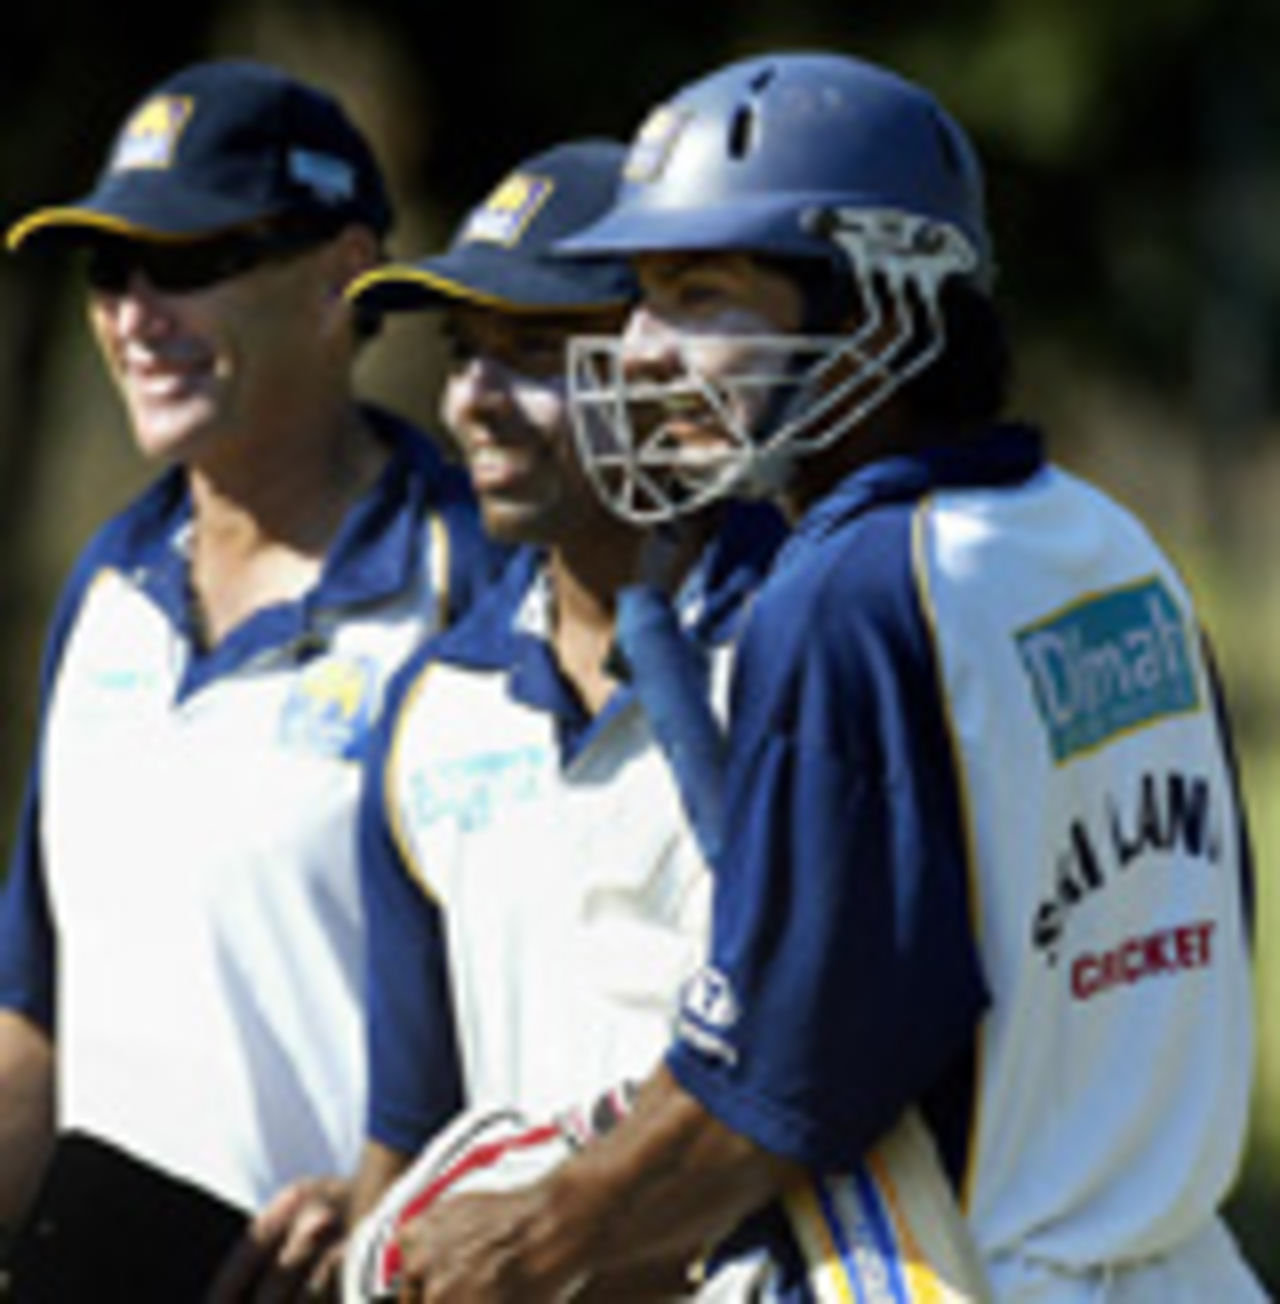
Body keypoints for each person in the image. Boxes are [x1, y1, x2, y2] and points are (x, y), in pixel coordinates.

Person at [388, 51, 1265, 1302]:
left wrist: (538, 1228)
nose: (639, 353)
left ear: (880, 302)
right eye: (638, 296)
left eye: (698, 293)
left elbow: (780, 1077)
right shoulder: (1108, 545)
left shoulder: (847, 589)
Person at [0, 58, 504, 1300]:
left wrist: (399, 1206)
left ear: (341, 274)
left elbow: (581, 1011)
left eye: (186, 263)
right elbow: (33, 1011)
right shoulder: (109, 586)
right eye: (109, 272)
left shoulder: (480, 585)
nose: (133, 314)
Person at [335, 139, 785, 1298]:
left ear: (663, 361)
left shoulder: (805, 647)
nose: (472, 400)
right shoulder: (434, 708)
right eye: (462, 354)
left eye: (533, 350)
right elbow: (412, 1132)